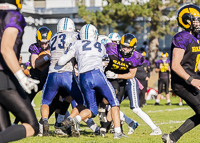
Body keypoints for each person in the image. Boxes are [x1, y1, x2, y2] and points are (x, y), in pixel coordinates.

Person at [58, 24, 123, 139]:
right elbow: (104, 60)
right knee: (114, 102)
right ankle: (117, 132)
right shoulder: (100, 45)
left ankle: (75, 119)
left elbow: (61, 61)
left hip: (83, 77)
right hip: (97, 74)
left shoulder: (76, 44)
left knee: (91, 108)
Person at [104, 33, 161, 136]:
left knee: (135, 108)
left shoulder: (136, 57)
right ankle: (131, 122)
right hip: (119, 82)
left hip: (130, 82)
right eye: (124, 46)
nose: (125, 49)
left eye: (128, 47)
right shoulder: (112, 48)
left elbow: (131, 75)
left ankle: (156, 129)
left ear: (133, 48)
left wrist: (115, 76)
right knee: (112, 106)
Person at [0, 1, 40, 142]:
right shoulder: (13, 15)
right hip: (3, 78)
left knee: (5, 132)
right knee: (32, 126)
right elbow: (5, 48)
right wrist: (21, 77)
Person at [161, 4, 200, 143]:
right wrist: (192, 80)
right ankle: (173, 137)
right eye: (196, 20)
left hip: (191, 80)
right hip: (182, 83)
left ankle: (172, 137)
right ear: (186, 20)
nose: (198, 23)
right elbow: (175, 65)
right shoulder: (182, 37)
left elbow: (197, 62)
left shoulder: (196, 37)